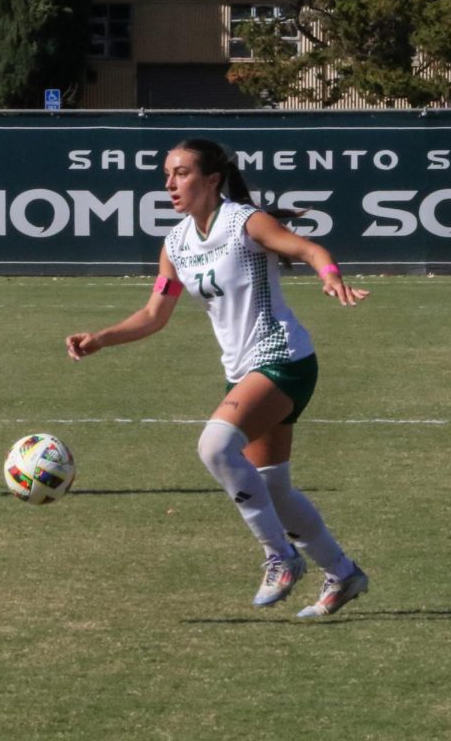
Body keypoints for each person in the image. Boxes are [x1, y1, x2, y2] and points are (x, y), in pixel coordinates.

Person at [65, 138, 371, 617]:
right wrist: (101, 338)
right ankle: (343, 573)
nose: (170, 183)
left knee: (213, 446)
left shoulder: (244, 223)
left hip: (282, 358)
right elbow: (153, 314)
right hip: (245, 372)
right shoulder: (176, 244)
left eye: (181, 173)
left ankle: (280, 557)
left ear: (211, 180)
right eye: (167, 174)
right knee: (274, 489)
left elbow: (309, 249)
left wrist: (330, 274)